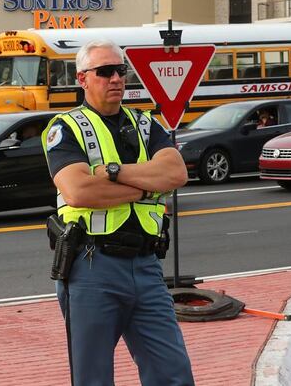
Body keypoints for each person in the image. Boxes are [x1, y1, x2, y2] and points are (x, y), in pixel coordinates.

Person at [42, 39, 195, 385]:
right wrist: (146, 184)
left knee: (173, 373)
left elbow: (175, 174)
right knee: (93, 377)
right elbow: (79, 191)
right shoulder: (65, 128)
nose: (116, 79)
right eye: (105, 71)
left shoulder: (145, 125)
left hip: (146, 267)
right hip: (92, 267)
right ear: (82, 78)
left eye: (120, 71)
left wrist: (111, 172)